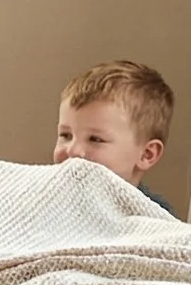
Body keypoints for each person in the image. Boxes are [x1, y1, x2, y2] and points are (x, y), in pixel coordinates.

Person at [55, 60, 179, 218]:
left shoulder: (156, 220)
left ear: (146, 154)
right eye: (66, 135)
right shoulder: (42, 199)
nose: (72, 150)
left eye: (95, 139)